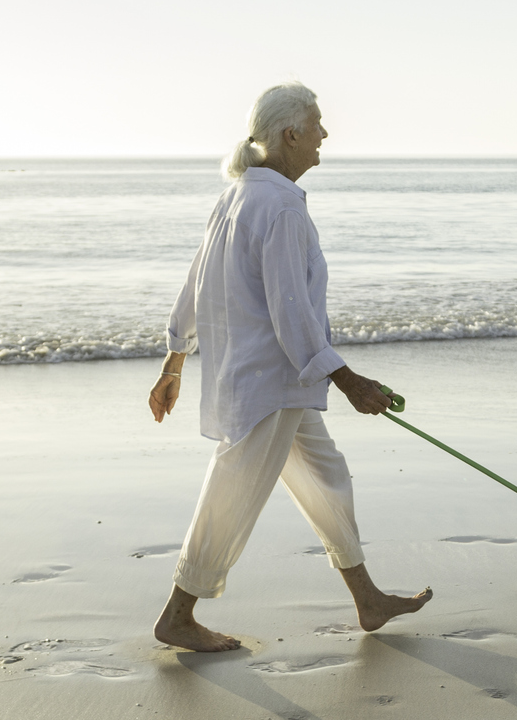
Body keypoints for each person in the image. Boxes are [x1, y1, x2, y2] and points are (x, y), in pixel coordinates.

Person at [147, 83, 432, 652]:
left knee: (328, 480)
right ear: (290, 134)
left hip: (277, 382)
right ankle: (178, 614)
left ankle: (368, 600)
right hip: (267, 382)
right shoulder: (276, 205)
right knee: (230, 495)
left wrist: (175, 359)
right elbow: (290, 310)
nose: (325, 134)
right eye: (318, 124)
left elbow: (194, 284)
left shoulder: (240, 195)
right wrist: (348, 379)